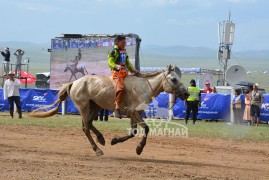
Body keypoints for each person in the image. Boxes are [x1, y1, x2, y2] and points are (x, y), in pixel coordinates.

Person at [107, 35, 141, 118]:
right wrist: (116, 66)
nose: (124, 44)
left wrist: (133, 70)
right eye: (123, 42)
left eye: (125, 42)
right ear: (117, 42)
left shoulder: (124, 52)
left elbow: (128, 63)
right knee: (121, 88)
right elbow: (110, 62)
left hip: (124, 72)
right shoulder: (113, 51)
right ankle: (117, 108)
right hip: (116, 73)